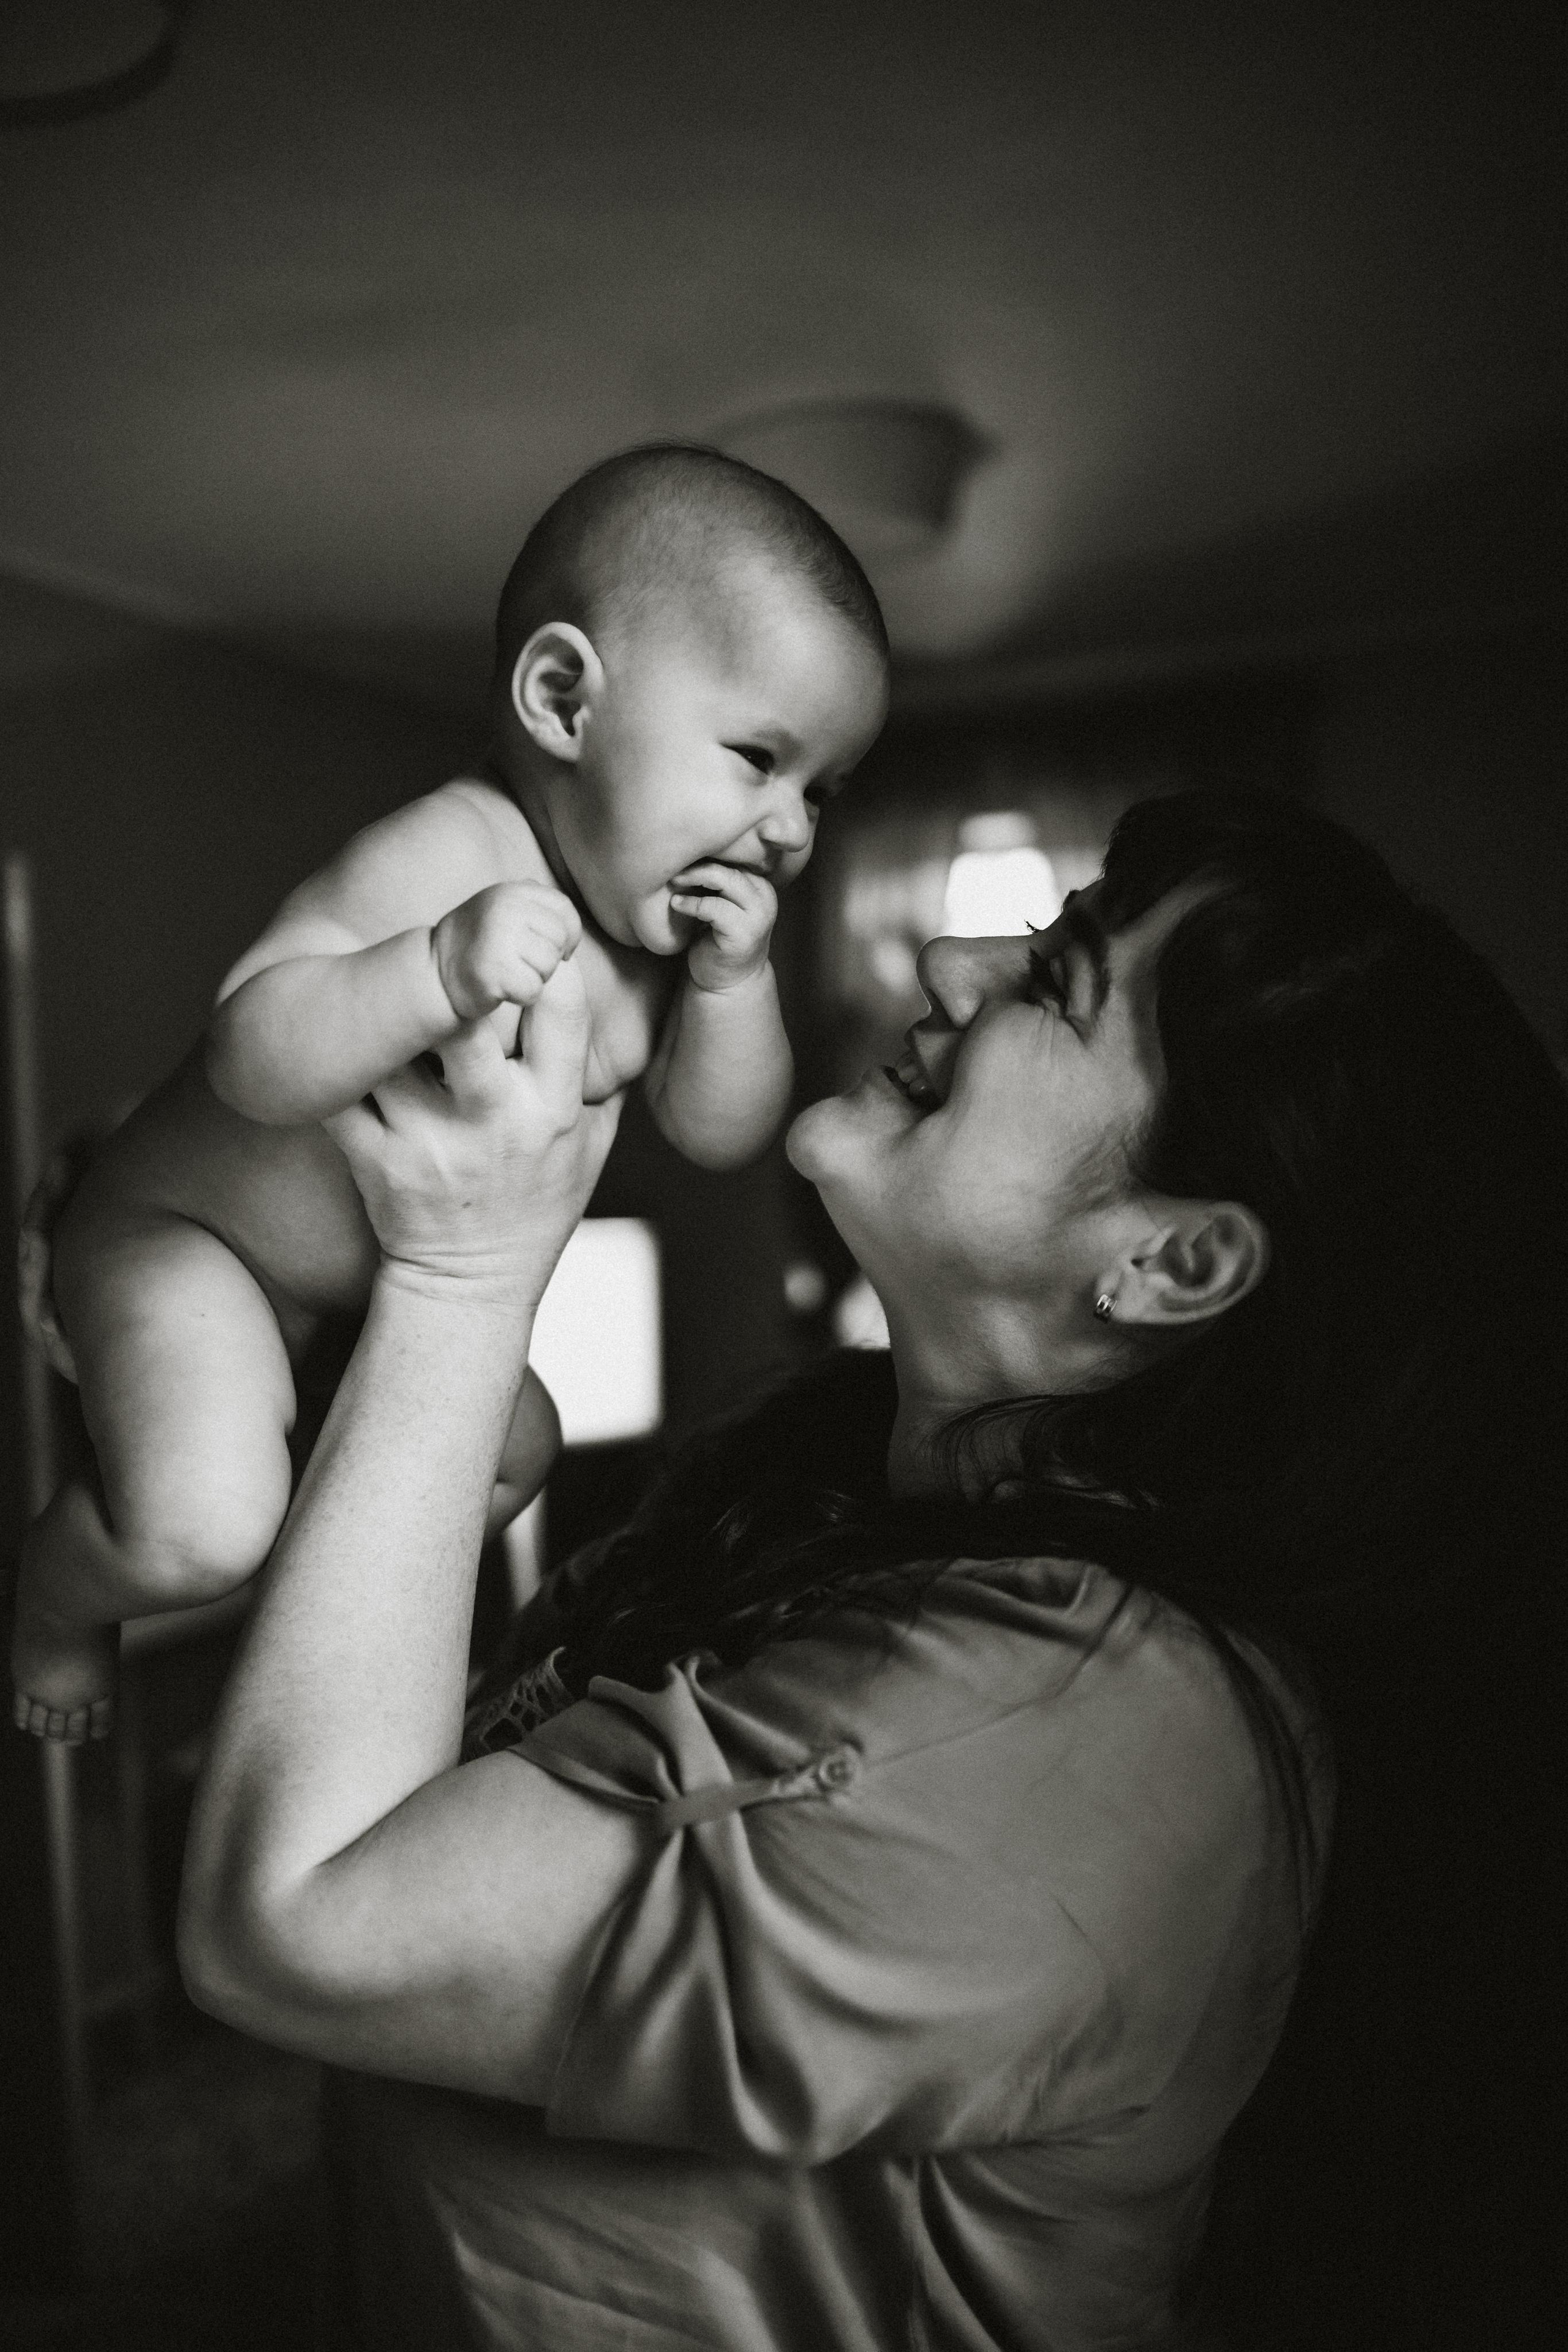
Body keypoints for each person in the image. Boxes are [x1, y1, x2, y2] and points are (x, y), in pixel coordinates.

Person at [176, 790, 1567, 2350]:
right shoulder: (838, 1478)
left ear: (1172, 1261)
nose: (955, 958)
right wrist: (191, 1268)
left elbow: (299, 1923)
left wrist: (462, 1273)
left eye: (1053, 983)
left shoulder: (1073, 1732)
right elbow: (418, 1775)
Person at [10, 443, 889, 1743]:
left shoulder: (657, 958)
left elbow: (719, 1131)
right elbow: (252, 1052)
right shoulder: (448, 854)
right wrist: (429, 970)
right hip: (194, 1241)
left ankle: (311, 1608)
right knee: (199, 1529)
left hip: (361, 1292)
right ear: (560, 699)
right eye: (757, 758)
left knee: (515, 1457)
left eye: (819, 789)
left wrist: (732, 987)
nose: (792, 828)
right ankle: (51, 1603)